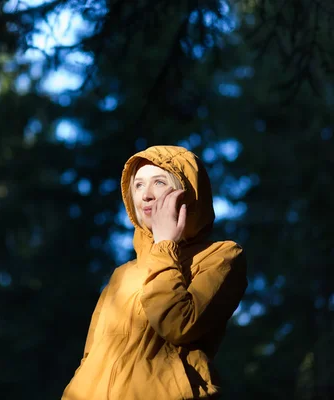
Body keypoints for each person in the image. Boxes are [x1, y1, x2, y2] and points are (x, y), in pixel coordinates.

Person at [61, 145, 248, 399]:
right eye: (138, 185)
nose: (146, 195)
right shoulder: (122, 275)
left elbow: (177, 325)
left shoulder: (222, 257)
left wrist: (164, 245)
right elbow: (90, 360)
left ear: (188, 193)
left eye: (159, 182)